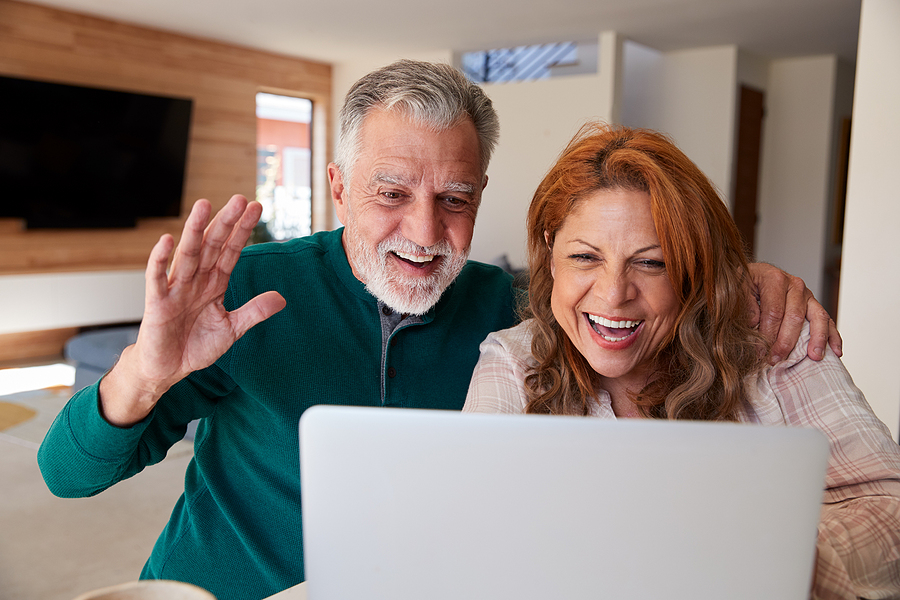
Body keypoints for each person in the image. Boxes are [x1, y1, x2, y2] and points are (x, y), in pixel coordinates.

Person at [38, 61, 839, 600]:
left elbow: (621, 297)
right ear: (339, 185)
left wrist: (733, 285)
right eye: (392, 192)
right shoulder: (244, 292)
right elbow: (64, 477)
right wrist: (143, 372)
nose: (425, 231)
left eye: (456, 198)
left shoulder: (522, 315)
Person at [463, 123, 900, 599]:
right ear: (550, 253)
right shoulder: (511, 361)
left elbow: (887, 506)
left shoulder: (777, 343)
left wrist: (781, 560)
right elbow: (475, 539)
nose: (613, 294)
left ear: (694, 265)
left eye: (652, 263)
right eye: (585, 257)